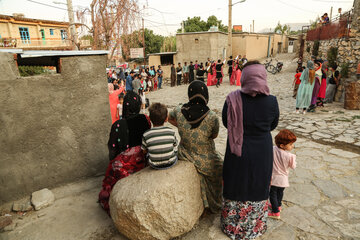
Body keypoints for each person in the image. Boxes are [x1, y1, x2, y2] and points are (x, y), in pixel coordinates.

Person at [221, 61, 279, 240]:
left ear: (244, 78)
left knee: (235, 182)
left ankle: (232, 226)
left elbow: (225, 122)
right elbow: (273, 125)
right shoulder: (272, 101)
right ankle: (255, 226)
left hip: (236, 151)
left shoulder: (232, 99)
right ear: (262, 77)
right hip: (262, 151)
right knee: (258, 183)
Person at [168, 80, 223, 214]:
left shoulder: (178, 110)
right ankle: (216, 203)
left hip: (186, 153)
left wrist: (181, 127)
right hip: (207, 157)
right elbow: (214, 136)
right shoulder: (212, 117)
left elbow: (169, 118)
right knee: (221, 170)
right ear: (205, 95)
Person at [99, 91, 151, 214]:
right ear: (138, 105)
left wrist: (114, 160)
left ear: (125, 106)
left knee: (112, 171)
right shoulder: (145, 119)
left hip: (124, 167)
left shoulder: (117, 125)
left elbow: (112, 149)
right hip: (143, 162)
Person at [268, 129, 297, 219]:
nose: (292, 146)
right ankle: (277, 208)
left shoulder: (272, 149)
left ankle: (275, 210)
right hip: (283, 179)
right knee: (280, 193)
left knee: (272, 194)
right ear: (282, 145)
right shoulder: (290, 156)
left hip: (274, 177)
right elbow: (293, 166)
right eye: (290, 144)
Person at [142, 103, 178, 169]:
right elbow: (175, 145)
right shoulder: (171, 131)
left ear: (149, 118)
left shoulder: (146, 134)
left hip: (154, 165)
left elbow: (144, 151)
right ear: (166, 119)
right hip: (171, 163)